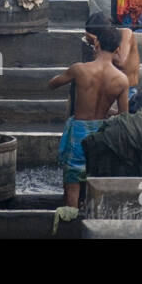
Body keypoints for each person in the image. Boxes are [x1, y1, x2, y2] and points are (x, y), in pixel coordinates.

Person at [47, 26, 130, 208]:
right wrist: (107, 112)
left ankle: (71, 219)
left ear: (97, 44)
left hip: (78, 131)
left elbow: (52, 84)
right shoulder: (122, 80)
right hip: (101, 133)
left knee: (73, 180)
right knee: (95, 177)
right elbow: (124, 117)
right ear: (117, 50)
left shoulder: (79, 70)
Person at [87, 17, 140, 91]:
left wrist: (99, 42)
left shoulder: (126, 33)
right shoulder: (100, 43)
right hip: (108, 88)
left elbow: (121, 62)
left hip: (127, 89)